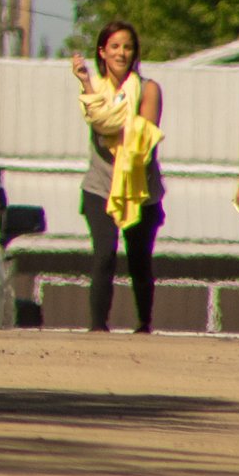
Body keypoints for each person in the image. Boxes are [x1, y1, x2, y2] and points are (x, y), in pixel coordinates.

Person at [73, 21, 164, 333]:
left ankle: (144, 323)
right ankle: (98, 327)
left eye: (127, 47)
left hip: (141, 187)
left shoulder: (148, 89)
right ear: (102, 52)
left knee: (139, 258)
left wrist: (119, 126)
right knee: (104, 255)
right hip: (99, 186)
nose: (121, 53)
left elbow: (144, 136)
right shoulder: (94, 91)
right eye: (114, 47)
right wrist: (86, 82)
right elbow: (101, 119)